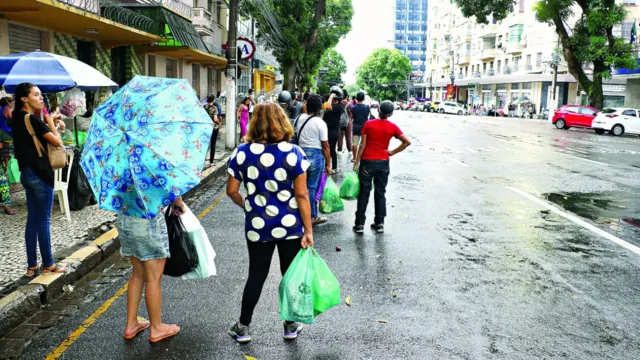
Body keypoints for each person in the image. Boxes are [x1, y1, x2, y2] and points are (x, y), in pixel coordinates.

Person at [226, 102, 314, 343]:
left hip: (257, 225)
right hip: (290, 226)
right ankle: (290, 325)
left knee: (256, 274)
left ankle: (243, 327)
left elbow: (231, 191)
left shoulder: (242, 152)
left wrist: (246, 203)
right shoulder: (294, 153)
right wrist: (308, 230)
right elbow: (302, 195)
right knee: (289, 274)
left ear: (255, 123)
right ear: (281, 122)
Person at [11, 83, 67, 276]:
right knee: (44, 221)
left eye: (41, 95)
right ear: (24, 99)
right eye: (36, 95)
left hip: (26, 174)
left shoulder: (16, 118)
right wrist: (51, 120)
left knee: (33, 220)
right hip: (40, 174)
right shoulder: (33, 120)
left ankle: (31, 265)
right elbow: (57, 141)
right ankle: (49, 264)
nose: (41, 98)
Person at [118, 197, 186, 342]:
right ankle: (156, 328)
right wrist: (179, 204)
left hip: (125, 221)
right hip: (149, 223)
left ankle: (131, 324)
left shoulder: (117, 172)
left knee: (137, 274)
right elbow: (170, 189)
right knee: (153, 278)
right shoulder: (149, 172)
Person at [353, 100, 411, 235]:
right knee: (380, 192)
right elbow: (407, 142)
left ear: (378, 109)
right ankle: (379, 224)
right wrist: (391, 152)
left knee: (364, 193)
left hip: (367, 162)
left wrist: (356, 161)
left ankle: (359, 225)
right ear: (390, 114)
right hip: (383, 163)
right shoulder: (392, 127)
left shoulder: (368, 124)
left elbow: (362, 145)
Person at [293, 94, 331, 224]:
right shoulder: (320, 123)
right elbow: (325, 145)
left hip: (300, 154)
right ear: (319, 107)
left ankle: (300, 212)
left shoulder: (298, 119)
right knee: (312, 187)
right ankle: (312, 216)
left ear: (307, 105)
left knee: (300, 186)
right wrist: (328, 164)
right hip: (315, 154)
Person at [322, 87, 343, 173]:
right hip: (327, 130)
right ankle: (327, 165)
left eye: (335, 99)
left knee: (331, 149)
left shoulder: (339, 107)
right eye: (332, 99)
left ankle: (333, 167)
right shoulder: (329, 105)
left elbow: (327, 106)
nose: (333, 100)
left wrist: (331, 96)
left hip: (333, 131)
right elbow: (324, 106)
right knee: (325, 148)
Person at [350, 91, 371, 161]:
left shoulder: (353, 108)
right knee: (363, 143)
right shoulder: (367, 107)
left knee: (355, 143)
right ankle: (361, 157)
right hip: (364, 128)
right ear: (364, 98)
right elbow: (367, 116)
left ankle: (354, 158)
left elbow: (352, 117)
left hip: (356, 127)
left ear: (356, 98)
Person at [204, 95, 222, 167]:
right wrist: (219, 123)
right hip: (213, 127)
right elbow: (215, 119)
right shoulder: (214, 108)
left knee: (205, 144)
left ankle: (203, 160)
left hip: (205, 127)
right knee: (213, 144)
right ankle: (211, 162)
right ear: (213, 100)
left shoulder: (204, 107)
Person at [337, 90, 353, 156]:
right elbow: (351, 114)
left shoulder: (338, 103)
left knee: (340, 136)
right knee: (348, 137)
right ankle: (350, 150)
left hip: (339, 121)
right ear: (347, 96)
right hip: (348, 122)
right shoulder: (350, 104)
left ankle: (339, 150)